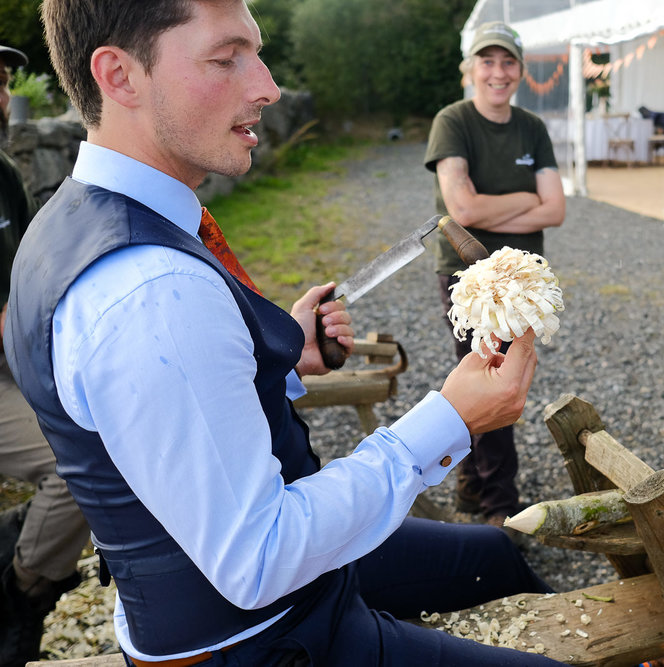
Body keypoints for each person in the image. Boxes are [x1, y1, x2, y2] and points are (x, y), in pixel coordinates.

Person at [6, 2, 566, 665]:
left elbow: (163, 414)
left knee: (498, 552)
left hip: (282, 595)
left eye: (258, 53)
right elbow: (258, 558)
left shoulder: (72, 219)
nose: (267, 85)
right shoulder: (150, 291)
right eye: (226, 57)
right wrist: (450, 418)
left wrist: (284, 357)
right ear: (120, 76)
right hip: (268, 638)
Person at [424, 22, 565, 530]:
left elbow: (556, 211)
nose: (497, 72)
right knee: (491, 379)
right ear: (470, 69)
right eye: (487, 61)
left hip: (523, 283)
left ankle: (470, 485)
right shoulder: (453, 121)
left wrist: (492, 210)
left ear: (521, 70)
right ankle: (499, 507)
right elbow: (460, 206)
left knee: (499, 373)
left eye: (507, 62)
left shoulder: (532, 127)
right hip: (473, 281)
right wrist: (527, 199)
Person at [0, 42, 91, 667]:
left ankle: (18, 588)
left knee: (92, 447)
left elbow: (26, 280)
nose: (1, 96)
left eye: (3, 81)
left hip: (9, 364)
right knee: (75, 462)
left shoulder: (4, 174)